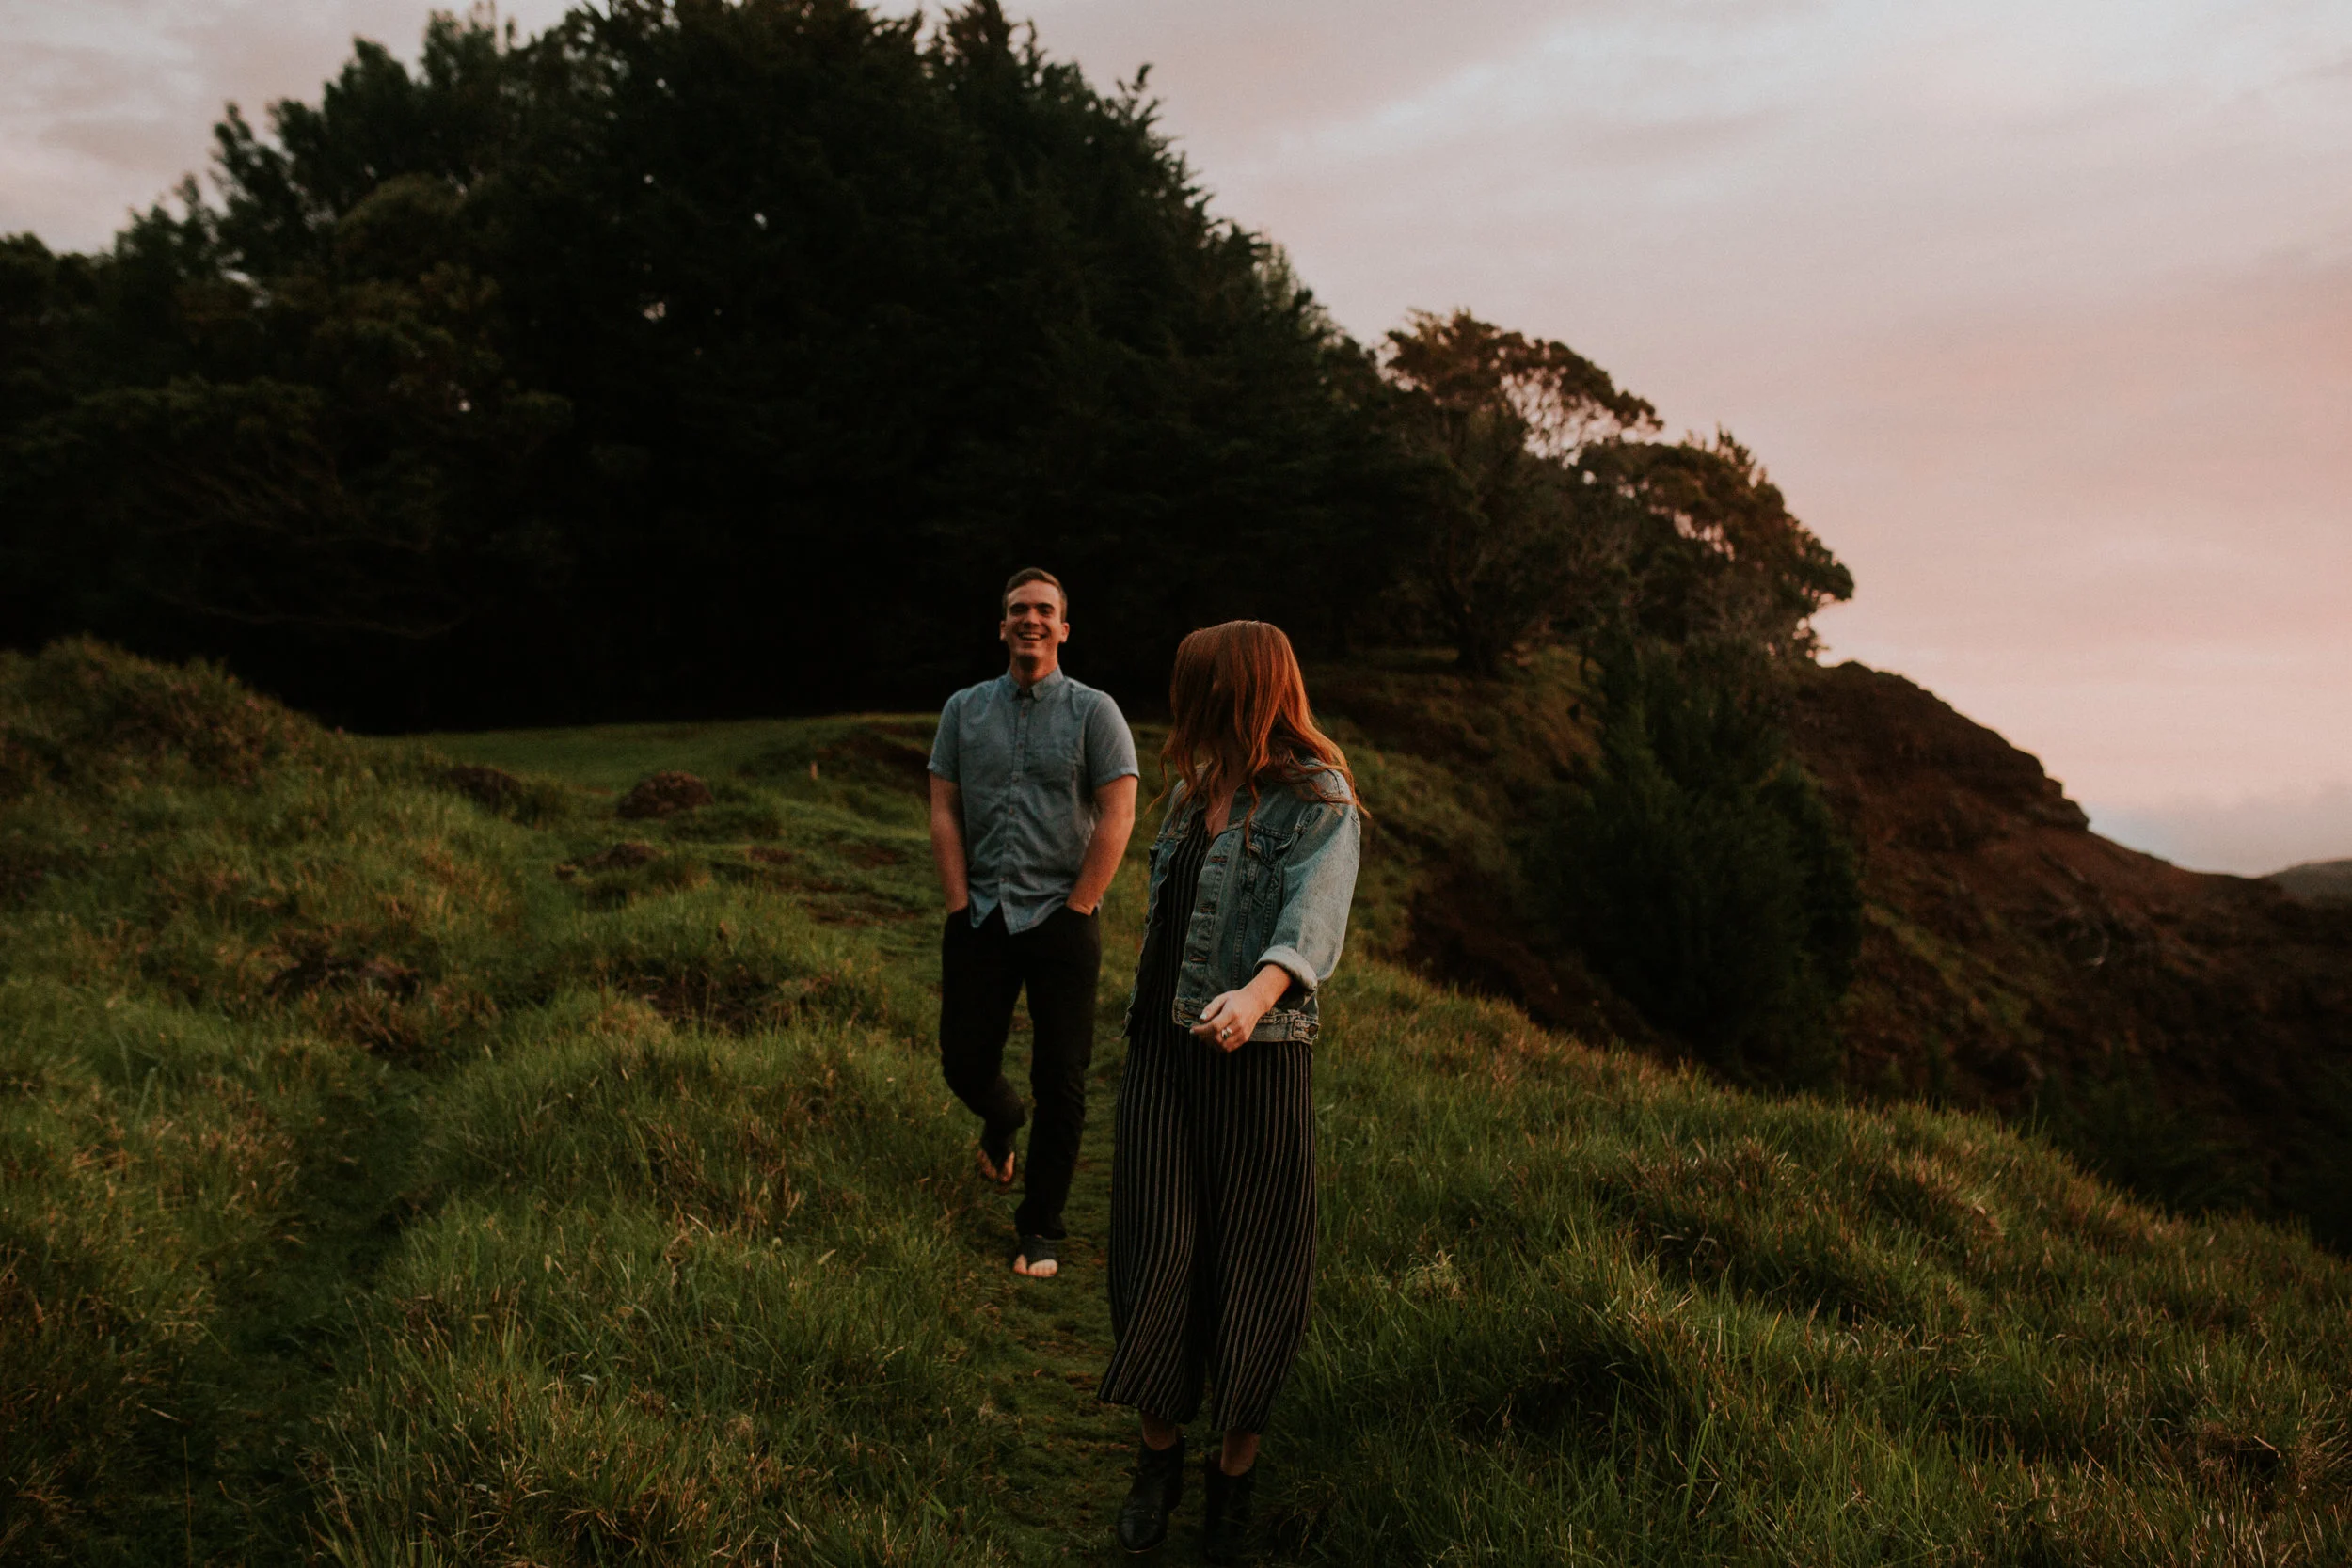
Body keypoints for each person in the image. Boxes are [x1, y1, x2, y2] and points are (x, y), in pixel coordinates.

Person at [1098, 621, 1363, 1564]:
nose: (1180, 701)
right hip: (1164, 1060)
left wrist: (1254, 995)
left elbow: (1313, 919)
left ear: (1235, 691)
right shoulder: (1187, 796)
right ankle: (1157, 1455)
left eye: (1193, 685)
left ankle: (1232, 1481)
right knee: (1155, 1252)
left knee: (1255, 1269)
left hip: (1257, 1062)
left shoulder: (1317, 800)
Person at [928, 568, 1139, 1278]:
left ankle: (1041, 1227)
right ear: (1002, 625)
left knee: (1065, 1078)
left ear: (1064, 627)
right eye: (1019, 609)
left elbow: (1119, 812)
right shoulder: (963, 710)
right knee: (963, 1060)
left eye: (1045, 610)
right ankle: (1001, 1115)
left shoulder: (1095, 712)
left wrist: (1080, 906)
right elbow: (944, 809)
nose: (1031, 620)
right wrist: (959, 904)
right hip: (982, 912)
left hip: (1061, 916)